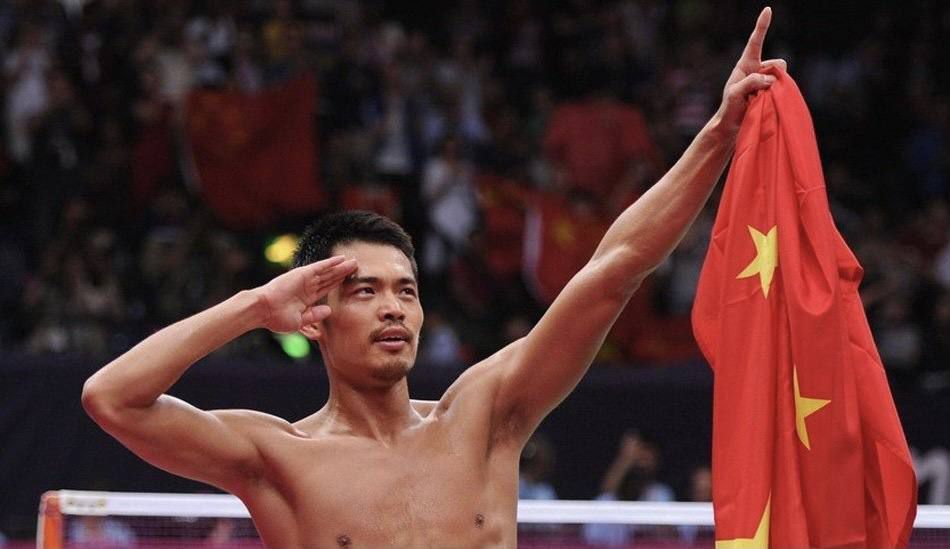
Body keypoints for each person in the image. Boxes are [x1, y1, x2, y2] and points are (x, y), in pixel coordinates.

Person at [81, 8, 785, 548]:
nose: (394, 308)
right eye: (366, 290)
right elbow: (112, 399)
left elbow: (614, 268)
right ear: (314, 315)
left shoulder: (485, 416)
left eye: (406, 290)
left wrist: (717, 135)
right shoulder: (276, 457)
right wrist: (252, 304)